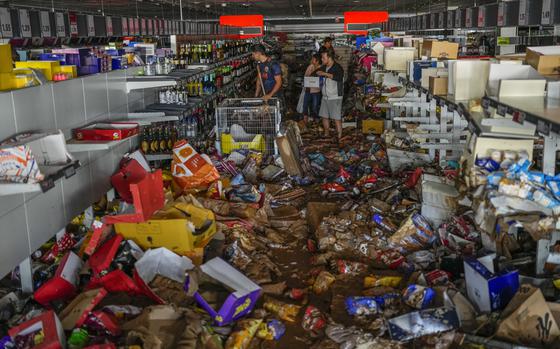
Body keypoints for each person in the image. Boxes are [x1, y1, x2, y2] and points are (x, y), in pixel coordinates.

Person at [316, 49, 344, 140]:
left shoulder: (337, 67)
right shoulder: (324, 67)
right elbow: (317, 72)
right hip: (325, 97)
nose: (322, 59)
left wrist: (325, 74)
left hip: (335, 96)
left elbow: (338, 77)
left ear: (329, 57)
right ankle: (326, 134)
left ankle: (339, 137)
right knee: (324, 116)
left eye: (323, 58)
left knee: (336, 117)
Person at [302, 53, 322, 124]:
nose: (311, 60)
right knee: (305, 106)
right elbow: (306, 76)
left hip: (316, 91)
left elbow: (321, 82)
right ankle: (305, 122)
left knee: (315, 107)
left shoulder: (321, 68)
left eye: (313, 59)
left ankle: (316, 121)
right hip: (308, 90)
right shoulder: (310, 67)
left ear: (317, 61)